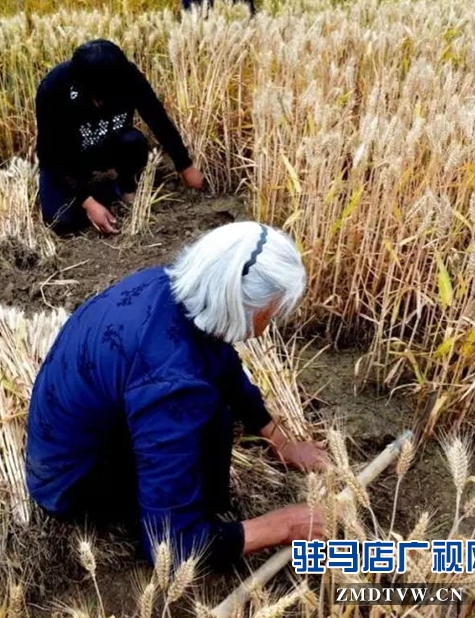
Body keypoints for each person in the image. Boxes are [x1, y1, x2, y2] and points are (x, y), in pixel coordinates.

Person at [25, 221, 329, 571]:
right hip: (72, 485)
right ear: (243, 305)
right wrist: (284, 526)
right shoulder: (174, 386)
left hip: (64, 444)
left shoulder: (171, 287)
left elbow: (221, 362)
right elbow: (173, 548)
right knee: (208, 417)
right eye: (271, 313)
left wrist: (280, 440)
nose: (271, 322)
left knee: (208, 408)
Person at [35, 39, 203, 235]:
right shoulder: (55, 87)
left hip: (110, 146)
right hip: (67, 158)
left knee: (134, 141)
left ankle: (123, 188)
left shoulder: (127, 76)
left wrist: (185, 165)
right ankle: (95, 196)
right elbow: (51, 153)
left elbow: (157, 118)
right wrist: (87, 202)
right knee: (62, 223)